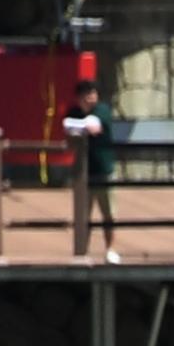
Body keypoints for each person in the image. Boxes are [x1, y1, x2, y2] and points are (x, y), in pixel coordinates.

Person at [63, 76, 120, 263]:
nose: (92, 97)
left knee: (108, 213)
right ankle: (82, 251)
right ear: (79, 97)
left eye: (94, 93)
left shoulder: (102, 110)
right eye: (88, 94)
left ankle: (110, 249)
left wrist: (79, 127)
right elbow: (66, 126)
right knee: (82, 215)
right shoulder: (73, 112)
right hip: (82, 173)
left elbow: (94, 126)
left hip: (104, 170)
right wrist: (78, 126)